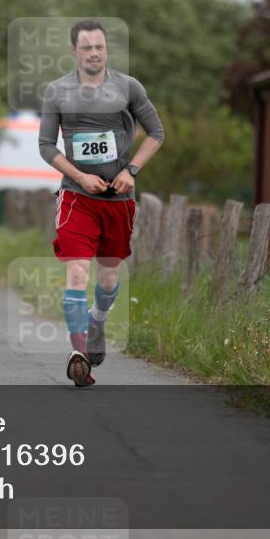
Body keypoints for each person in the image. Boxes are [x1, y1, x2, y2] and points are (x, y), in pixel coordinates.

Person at [38, 19, 164, 387]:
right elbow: (46, 146)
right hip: (77, 197)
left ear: (106, 50)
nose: (94, 53)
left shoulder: (128, 87)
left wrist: (132, 171)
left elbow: (157, 132)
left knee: (108, 276)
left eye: (100, 47)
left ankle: (97, 320)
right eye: (87, 47)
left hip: (119, 198)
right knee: (77, 272)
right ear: (74, 51)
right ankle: (80, 354)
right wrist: (79, 177)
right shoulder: (58, 91)